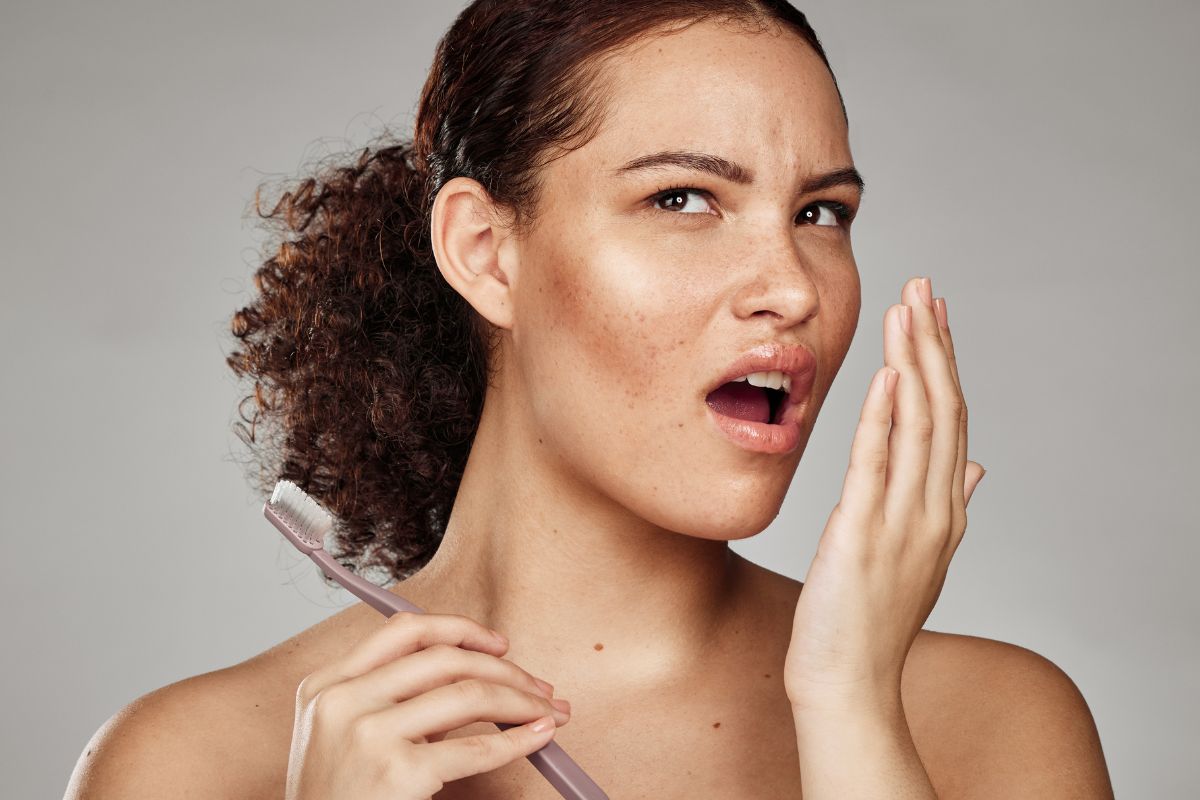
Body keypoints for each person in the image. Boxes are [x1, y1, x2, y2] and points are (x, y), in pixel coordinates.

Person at [65, 1, 1115, 797]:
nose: (795, 286)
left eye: (821, 211)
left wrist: (849, 709)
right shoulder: (188, 761)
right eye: (683, 197)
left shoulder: (990, 725)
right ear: (486, 251)